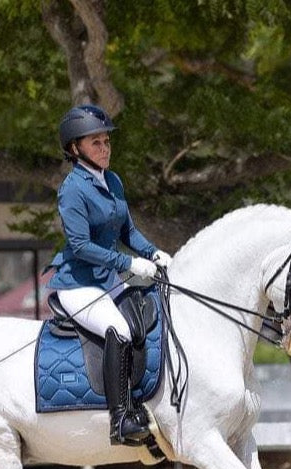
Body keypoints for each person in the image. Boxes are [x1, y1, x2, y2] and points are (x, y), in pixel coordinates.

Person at [46, 104, 172, 445]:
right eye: (96, 143)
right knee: (119, 330)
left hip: (107, 281)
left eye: (106, 142)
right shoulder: (72, 189)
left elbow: (128, 231)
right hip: (77, 283)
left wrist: (153, 253)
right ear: (75, 149)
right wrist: (128, 264)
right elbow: (81, 245)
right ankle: (120, 420)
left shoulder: (112, 181)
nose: (105, 149)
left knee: (147, 316)